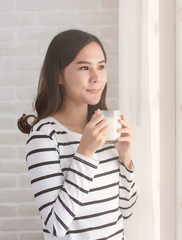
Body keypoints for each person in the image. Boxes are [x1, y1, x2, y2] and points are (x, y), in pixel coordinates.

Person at [17, 29, 137, 240]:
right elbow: (55, 226)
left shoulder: (105, 129)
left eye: (101, 66)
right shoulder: (45, 136)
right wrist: (85, 152)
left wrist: (126, 159)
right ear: (58, 76)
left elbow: (126, 210)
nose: (96, 77)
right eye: (84, 67)